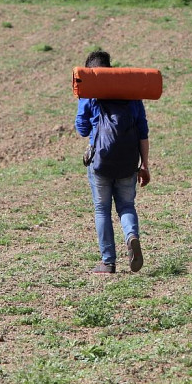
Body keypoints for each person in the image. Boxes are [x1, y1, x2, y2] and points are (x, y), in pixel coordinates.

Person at [75, 50, 151, 274]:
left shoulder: (89, 94)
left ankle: (108, 262)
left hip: (101, 162)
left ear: (91, 72)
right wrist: (144, 165)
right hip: (128, 160)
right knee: (126, 206)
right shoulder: (131, 93)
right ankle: (131, 236)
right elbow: (143, 131)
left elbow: (82, 129)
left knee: (102, 210)